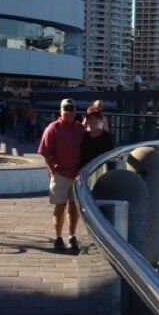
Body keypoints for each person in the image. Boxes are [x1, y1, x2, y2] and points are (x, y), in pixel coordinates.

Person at [37, 98, 86, 253]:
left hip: (77, 175)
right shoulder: (53, 128)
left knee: (74, 207)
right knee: (60, 206)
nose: (69, 111)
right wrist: (52, 170)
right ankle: (58, 237)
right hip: (60, 174)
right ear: (60, 110)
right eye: (66, 108)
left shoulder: (80, 129)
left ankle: (72, 236)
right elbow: (44, 152)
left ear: (75, 111)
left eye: (71, 109)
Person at [81, 101, 114, 166]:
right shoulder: (83, 137)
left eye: (95, 118)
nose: (93, 121)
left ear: (99, 120)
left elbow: (110, 158)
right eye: (90, 118)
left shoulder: (107, 138)